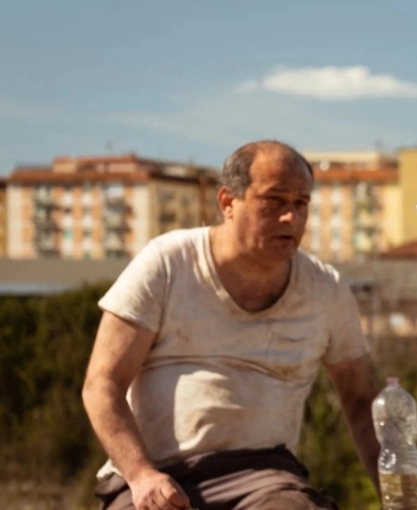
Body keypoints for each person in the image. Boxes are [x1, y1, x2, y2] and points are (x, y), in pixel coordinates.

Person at [82, 140, 382, 510]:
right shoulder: (168, 263)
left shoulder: (325, 290)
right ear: (228, 202)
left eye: (300, 203)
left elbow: (362, 400)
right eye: (274, 201)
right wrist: (141, 474)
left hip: (265, 478)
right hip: (154, 474)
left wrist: (402, 500)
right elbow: (101, 384)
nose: (291, 218)